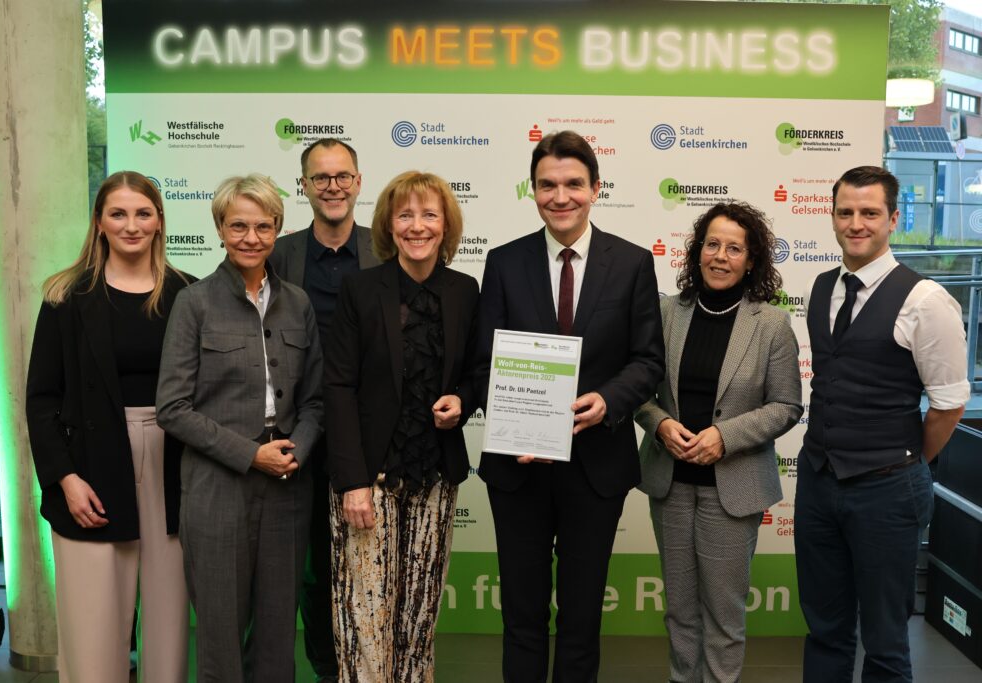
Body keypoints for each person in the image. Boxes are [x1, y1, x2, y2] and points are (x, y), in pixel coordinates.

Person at [475, 131, 665, 682]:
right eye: (548, 185)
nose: (561, 197)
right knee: (522, 617)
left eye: (573, 184)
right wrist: (517, 428)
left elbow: (647, 360)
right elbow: (486, 361)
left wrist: (607, 400)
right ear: (533, 190)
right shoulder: (504, 262)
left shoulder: (630, 263)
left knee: (581, 621)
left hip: (595, 470)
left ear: (595, 189)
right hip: (518, 470)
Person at [796, 166, 969, 682]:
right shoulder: (824, 286)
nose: (856, 223)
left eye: (869, 213)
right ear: (832, 217)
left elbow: (948, 407)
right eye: (845, 212)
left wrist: (901, 462)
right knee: (824, 629)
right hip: (819, 483)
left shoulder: (926, 300)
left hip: (888, 491)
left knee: (886, 641)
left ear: (893, 219)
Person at [25, 171, 192, 683]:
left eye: (143, 213)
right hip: (91, 467)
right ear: (99, 222)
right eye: (118, 213)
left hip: (176, 465)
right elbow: (40, 399)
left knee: (169, 628)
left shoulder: (190, 294)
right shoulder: (65, 297)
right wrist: (65, 479)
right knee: (93, 629)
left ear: (160, 221)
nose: (131, 224)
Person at [156, 173, 323, 682]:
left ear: (277, 230)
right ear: (220, 230)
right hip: (216, 489)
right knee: (220, 637)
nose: (251, 237)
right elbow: (173, 407)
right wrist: (252, 455)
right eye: (238, 226)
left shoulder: (298, 303)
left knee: (277, 636)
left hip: (287, 490)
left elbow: (316, 400)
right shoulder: (194, 303)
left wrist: (297, 449)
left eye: (263, 226)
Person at [635, 202, 802, 683]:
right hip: (671, 483)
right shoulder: (667, 312)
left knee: (724, 619)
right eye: (712, 244)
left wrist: (724, 438)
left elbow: (787, 405)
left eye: (734, 248)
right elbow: (640, 392)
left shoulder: (771, 324)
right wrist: (661, 424)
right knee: (680, 611)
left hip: (732, 490)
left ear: (751, 260)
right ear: (697, 251)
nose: (720, 256)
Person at [324, 171, 479, 682]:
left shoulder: (463, 290)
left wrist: (463, 399)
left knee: (419, 618)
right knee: (365, 620)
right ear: (389, 226)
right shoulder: (361, 289)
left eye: (429, 214)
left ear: (446, 224)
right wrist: (351, 483)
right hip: (368, 479)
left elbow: (478, 371)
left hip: (435, 477)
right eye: (405, 215)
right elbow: (339, 386)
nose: (417, 226)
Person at [267, 138, 379, 683]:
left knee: (368, 564)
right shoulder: (277, 255)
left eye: (342, 176)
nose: (332, 186)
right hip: (300, 435)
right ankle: (328, 670)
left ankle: (369, 663)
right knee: (313, 569)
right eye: (320, 178)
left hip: (372, 435)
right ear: (304, 186)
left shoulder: (389, 247)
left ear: (358, 182)